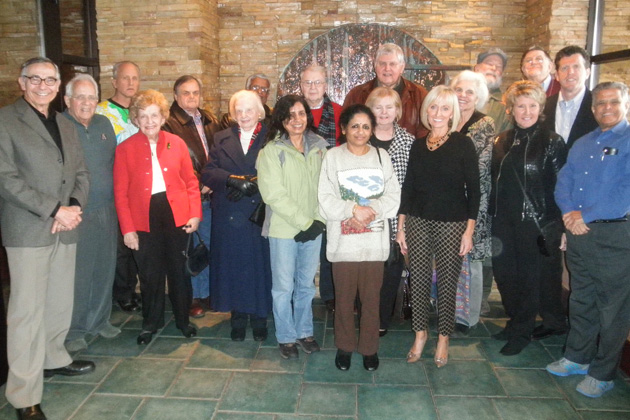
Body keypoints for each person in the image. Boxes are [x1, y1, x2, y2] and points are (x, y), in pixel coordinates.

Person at [0, 57, 93, 420]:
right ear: (22, 82)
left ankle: (53, 359)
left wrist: (72, 208)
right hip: (29, 229)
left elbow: (81, 173)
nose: (43, 85)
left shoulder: (63, 123)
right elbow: (6, 179)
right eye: (35, 79)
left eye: (50, 80)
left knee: (57, 302)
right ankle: (23, 395)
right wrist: (55, 209)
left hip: (65, 226)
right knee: (26, 313)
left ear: (58, 86)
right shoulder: (6, 120)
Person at [547, 81, 630, 398]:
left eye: (613, 102)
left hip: (613, 234)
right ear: (592, 109)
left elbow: (626, 192)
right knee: (581, 299)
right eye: (600, 103)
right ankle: (577, 357)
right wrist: (569, 213)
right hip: (578, 233)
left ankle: (604, 372)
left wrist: (586, 216)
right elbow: (563, 182)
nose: (606, 108)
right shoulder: (583, 143)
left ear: (625, 104)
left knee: (613, 308)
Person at [396, 85, 480, 368]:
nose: (438, 113)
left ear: (453, 113)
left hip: (452, 225)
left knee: (447, 284)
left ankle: (443, 337)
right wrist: (401, 227)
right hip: (418, 222)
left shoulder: (463, 144)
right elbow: (408, 187)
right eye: (434, 107)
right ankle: (420, 334)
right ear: (426, 110)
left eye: (445, 108)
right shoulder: (418, 145)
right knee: (417, 280)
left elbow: (475, 191)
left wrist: (469, 232)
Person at [114, 89, 201, 345]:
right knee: (150, 275)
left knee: (179, 272)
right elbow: (120, 195)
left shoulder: (177, 143)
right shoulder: (125, 149)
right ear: (136, 120)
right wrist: (128, 230)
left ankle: (183, 320)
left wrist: (195, 214)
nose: (149, 121)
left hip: (177, 217)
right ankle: (150, 323)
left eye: (154, 115)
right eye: (143, 116)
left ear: (163, 117)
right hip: (144, 219)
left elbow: (190, 183)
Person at [318, 104, 401, 371]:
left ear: (372, 130)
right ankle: (344, 347)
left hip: (373, 244)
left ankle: (368, 349)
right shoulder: (333, 157)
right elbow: (325, 199)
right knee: (343, 301)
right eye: (355, 126)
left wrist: (370, 211)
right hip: (344, 245)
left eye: (366, 126)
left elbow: (393, 196)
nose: (360, 131)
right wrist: (352, 209)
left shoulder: (381, 157)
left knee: (371, 300)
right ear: (344, 129)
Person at [490, 80, 568, 356]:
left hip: (534, 224)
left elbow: (562, 186)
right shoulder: (502, 140)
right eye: (520, 106)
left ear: (540, 108)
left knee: (529, 279)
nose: (526, 111)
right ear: (510, 109)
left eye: (532, 105)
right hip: (502, 222)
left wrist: (560, 227)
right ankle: (514, 321)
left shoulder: (551, 142)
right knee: (506, 275)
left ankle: (522, 331)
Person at [257, 95, 328, 359]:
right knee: (284, 287)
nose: (297, 120)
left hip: (315, 227)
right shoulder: (272, 151)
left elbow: (328, 186)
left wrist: (318, 220)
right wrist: (305, 222)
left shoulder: (321, 147)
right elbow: (273, 194)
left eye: (301, 113)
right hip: (284, 229)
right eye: (290, 115)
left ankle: (304, 332)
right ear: (282, 120)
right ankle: (286, 336)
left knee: (307, 285)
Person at [201, 90, 272, 341]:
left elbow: (280, 169)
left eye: (249, 110)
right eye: (238, 110)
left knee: (259, 266)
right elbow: (208, 172)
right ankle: (239, 317)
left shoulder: (271, 135)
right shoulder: (221, 137)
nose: (243, 115)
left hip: (259, 211)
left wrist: (255, 183)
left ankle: (260, 318)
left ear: (259, 112)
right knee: (235, 268)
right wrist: (231, 181)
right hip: (229, 213)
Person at [63, 74, 120, 352]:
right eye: (80, 97)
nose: (86, 103)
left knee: (104, 268)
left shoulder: (103, 124)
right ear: (68, 100)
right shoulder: (60, 126)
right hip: (77, 213)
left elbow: (114, 163)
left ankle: (100, 321)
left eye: (91, 97)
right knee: (78, 274)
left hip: (107, 209)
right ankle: (74, 330)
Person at [163, 75, 220, 318]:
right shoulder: (168, 123)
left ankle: (207, 293)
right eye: (186, 93)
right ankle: (194, 297)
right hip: (189, 195)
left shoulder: (209, 119)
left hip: (213, 195)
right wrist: (200, 184)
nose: (191, 97)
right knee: (193, 247)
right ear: (176, 96)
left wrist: (215, 180)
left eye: (195, 92)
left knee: (208, 245)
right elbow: (172, 161)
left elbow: (219, 153)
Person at [363, 87, 415, 337]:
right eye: (377, 107)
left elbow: (413, 186)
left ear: (397, 111)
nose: (383, 112)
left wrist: (404, 226)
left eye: (389, 107)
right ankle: (365, 317)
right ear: (369, 110)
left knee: (391, 272)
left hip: (397, 220)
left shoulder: (408, 142)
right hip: (364, 217)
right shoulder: (359, 138)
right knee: (365, 273)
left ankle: (381, 319)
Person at [449, 70, 495, 331]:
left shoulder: (483, 123)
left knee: (471, 259)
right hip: (450, 201)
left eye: (469, 92)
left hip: (474, 201)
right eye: (459, 90)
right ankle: (449, 309)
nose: (463, 96)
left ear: (478, 97)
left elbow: (477, 167)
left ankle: (469, 316)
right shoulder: (448, 119)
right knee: (451, 257)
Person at [96, 61, 142, 313]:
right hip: (115, 188)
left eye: (135, 78)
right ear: (114, 82)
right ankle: (123, 293)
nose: (130, 83)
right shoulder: (101, 112)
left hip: (140, 190)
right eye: (125, 78)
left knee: (137, 242)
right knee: (120, 246)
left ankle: (133, 289)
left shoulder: (140, 110)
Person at [300, 64, 343, 312]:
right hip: (302, 187)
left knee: (330, 242)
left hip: (330, 186)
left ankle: (330, 295)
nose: (313, 88)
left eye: (317, 83)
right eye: (308, 83)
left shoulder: (339, 112)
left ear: (326, 86)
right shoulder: (295, 112)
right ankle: (302, 291)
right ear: (301, 86)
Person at [343, 43, 429, 138]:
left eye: (392, 64)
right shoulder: (356, 95)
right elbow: (346, 129)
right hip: (366, 151)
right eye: (382, 64)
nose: (387, 69)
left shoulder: (419, 95)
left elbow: (426, 133)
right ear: (375, 66)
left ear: (402, 67)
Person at [542, 46, 598, 150]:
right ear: (557, 75)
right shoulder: (543, 106)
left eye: (576, 67)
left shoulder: (598, 105)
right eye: (565, 68)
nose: (570, 72)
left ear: (587, 73)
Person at [474, 47, 513, 134]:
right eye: (489, 63)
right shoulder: (461, 96)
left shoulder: (505, 104)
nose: (494, 68)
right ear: (476, 68)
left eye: (499, 66)